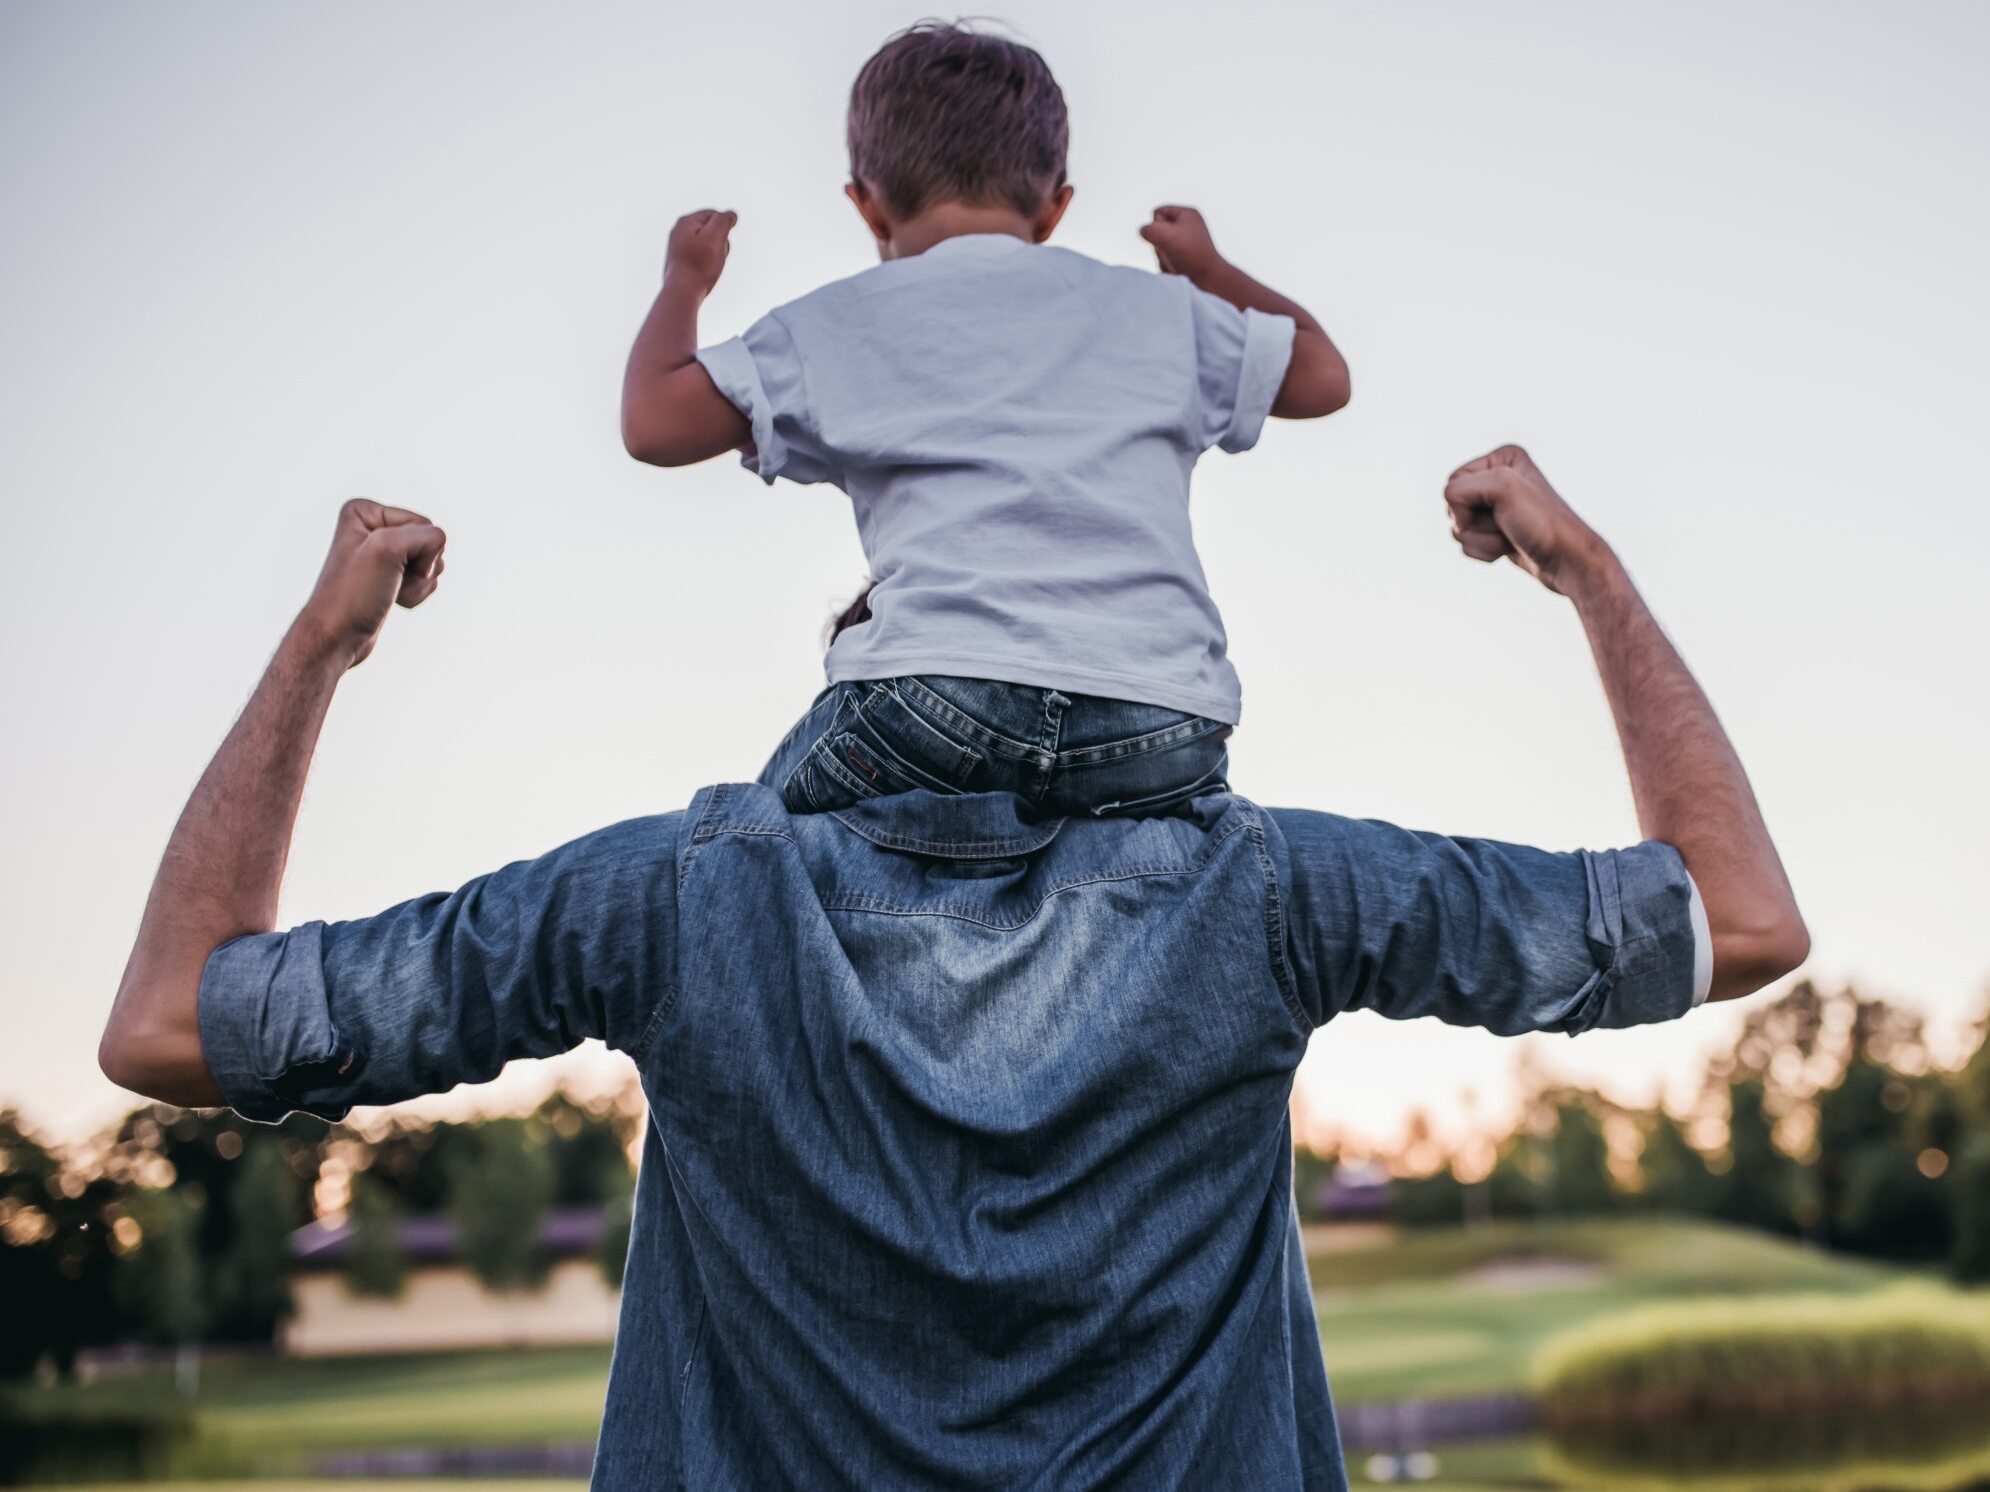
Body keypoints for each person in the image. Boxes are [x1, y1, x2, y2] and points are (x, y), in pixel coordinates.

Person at [99, 445, 1809, 1490]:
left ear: (854, 676)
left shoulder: (673, 899)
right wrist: (1583, 567)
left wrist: (325, 642)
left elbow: (176, 1018)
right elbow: (1739, 918)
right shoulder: (1269, 891)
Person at [620, 20, 1353, 820]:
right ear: (1055, 208)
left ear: (867, 207)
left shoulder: (841, 322)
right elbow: (1324, 376)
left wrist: (684, 280)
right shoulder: (1161, 312)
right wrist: (1208, 269)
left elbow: (654, 422)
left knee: (747, 845)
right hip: (1163, 722)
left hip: (937, 705)